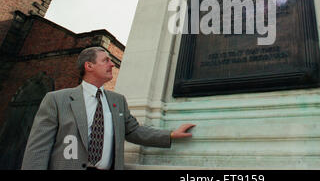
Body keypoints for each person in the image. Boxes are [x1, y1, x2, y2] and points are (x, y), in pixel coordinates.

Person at [21, 46, 195, 170]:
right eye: (105, 61)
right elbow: (38, 148)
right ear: (89, 66)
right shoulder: (57, 100)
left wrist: (171, 134)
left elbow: (134, 131)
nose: (112, 65)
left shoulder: (117, 101)